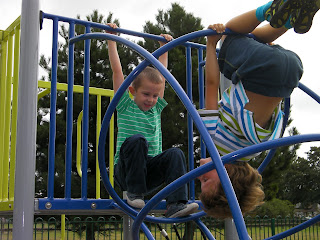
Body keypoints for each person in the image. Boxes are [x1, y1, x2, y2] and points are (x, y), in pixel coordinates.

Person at [197, 0, 316, 219]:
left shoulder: (256, 150)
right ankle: (271, 9)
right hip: (261, 71)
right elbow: (211, 85)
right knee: (230, 34)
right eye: (205, 180)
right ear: (228, 176)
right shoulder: (212, 139)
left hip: (290, 72)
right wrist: (211, 45)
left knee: (257, 39)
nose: (198, 176)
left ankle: (290, 18)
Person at [106, 23, 199, 218]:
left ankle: (176, 204)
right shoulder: (125, 104)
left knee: (175, 153)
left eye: (155, 96)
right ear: (133, 91)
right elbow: (116, 72)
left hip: (149, 173)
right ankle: (134, 194)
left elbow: (162, 77)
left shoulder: (155, 108)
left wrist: (162, 48)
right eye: (146, 94)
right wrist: (111, 40)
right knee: (138, 140)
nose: (151, 99)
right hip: (126, 173)